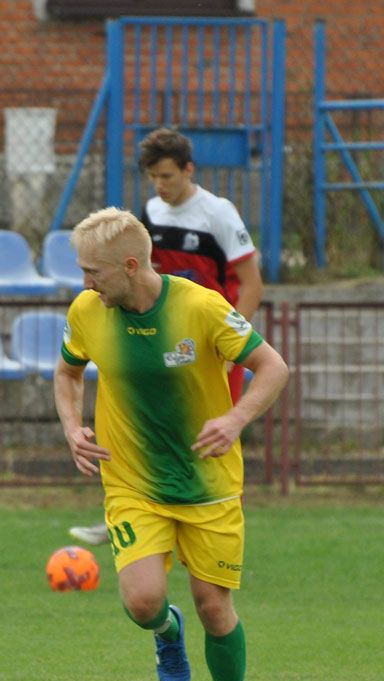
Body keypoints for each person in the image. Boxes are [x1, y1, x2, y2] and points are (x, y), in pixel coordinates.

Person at [53, 207, 287, 681]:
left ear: (131, 266)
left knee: (215, 608)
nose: (85, 283)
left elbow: (273, 367)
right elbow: (67, 372)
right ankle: (167, 631)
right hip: (132, 483)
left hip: (208, 485)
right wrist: (71, 426)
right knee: (142, 603)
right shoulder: (87, 311)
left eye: (93, 272)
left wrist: (235, 419)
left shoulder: (201, 307)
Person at [69, 126, 263, 546]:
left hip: (208, 343)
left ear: (189, 170)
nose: (161, 185)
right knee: (140, 423)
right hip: (157, 339)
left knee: (209, 443)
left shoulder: (218, 213)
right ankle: (131, 515)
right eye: (154, 177)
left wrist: (229, 349)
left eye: (168, 176)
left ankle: (215, 530)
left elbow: (251, 284)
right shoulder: (149, 214)